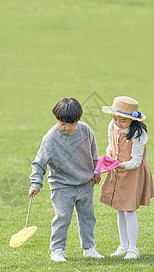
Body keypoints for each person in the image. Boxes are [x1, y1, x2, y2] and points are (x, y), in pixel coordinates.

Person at [28, 97, 104, 262]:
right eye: (62, 124)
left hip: (85, 183)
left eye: (71, 124)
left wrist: (97, 171)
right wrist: (35, 183)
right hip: (61, 185)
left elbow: (93, 152)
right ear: (56, 119)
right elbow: (39, 163)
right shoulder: (50, 139)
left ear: (78, 120)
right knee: (62, 217)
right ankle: (57, 250)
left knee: (88, 216)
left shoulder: (85, 130)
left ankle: (89, 248)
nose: (67, 127)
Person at [99, 96, 154, 259]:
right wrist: (109, 155)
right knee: (120, 209)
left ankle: (133, 248)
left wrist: (120, 165)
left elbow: (136, 161)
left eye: (122, 120)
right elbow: (110, 145)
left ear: (132, 120)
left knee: (129, 210)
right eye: (115, 119)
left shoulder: (138, 134)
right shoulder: (113, 126)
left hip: (132, 172)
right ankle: (123, 246)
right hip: (117, 171)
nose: (118, 123)